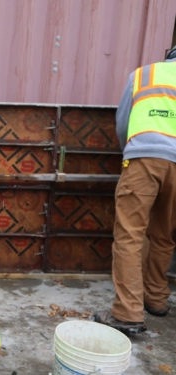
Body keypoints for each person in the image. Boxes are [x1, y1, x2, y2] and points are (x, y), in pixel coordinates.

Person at [94, 45, 176, 335]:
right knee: (164, 235)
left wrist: (130, 151)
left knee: (130, 235)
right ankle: (156, 300)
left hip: (145, 157)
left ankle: (128, 313)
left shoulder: (144, 75)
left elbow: (123, 122)